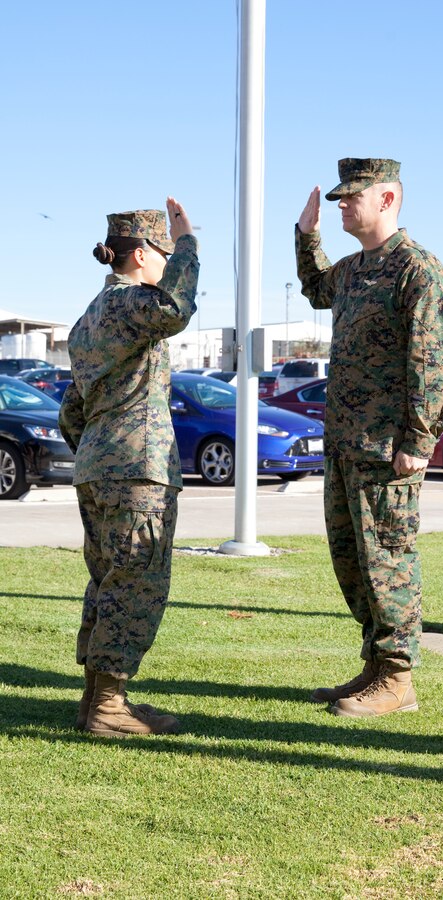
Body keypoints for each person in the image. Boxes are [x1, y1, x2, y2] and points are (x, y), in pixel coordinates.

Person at [295, 158, 443, 717]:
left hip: (387, 449)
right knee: (352, 560)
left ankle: (397, 678)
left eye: (352, 198)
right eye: (338, 199)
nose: (343, 206)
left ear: (387, 199)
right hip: (345, 443)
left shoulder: (417, 270)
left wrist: (419, 438)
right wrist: (306, 235)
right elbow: (317, 289)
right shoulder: (353, 269)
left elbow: (434, 362)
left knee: (388, 558)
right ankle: (374, 664)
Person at [59, 199, 199, 737]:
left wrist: (96, 450)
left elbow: (73, 407)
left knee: (108, 581)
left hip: (99, 465)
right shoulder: (131, 304)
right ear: (140, 254)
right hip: (135, 468)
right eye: (162, 252)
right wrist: (190, 245)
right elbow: (177, 307)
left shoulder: (88, 317)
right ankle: (107, 707)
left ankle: (98, 700)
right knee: (135, 583)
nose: (167, 261)